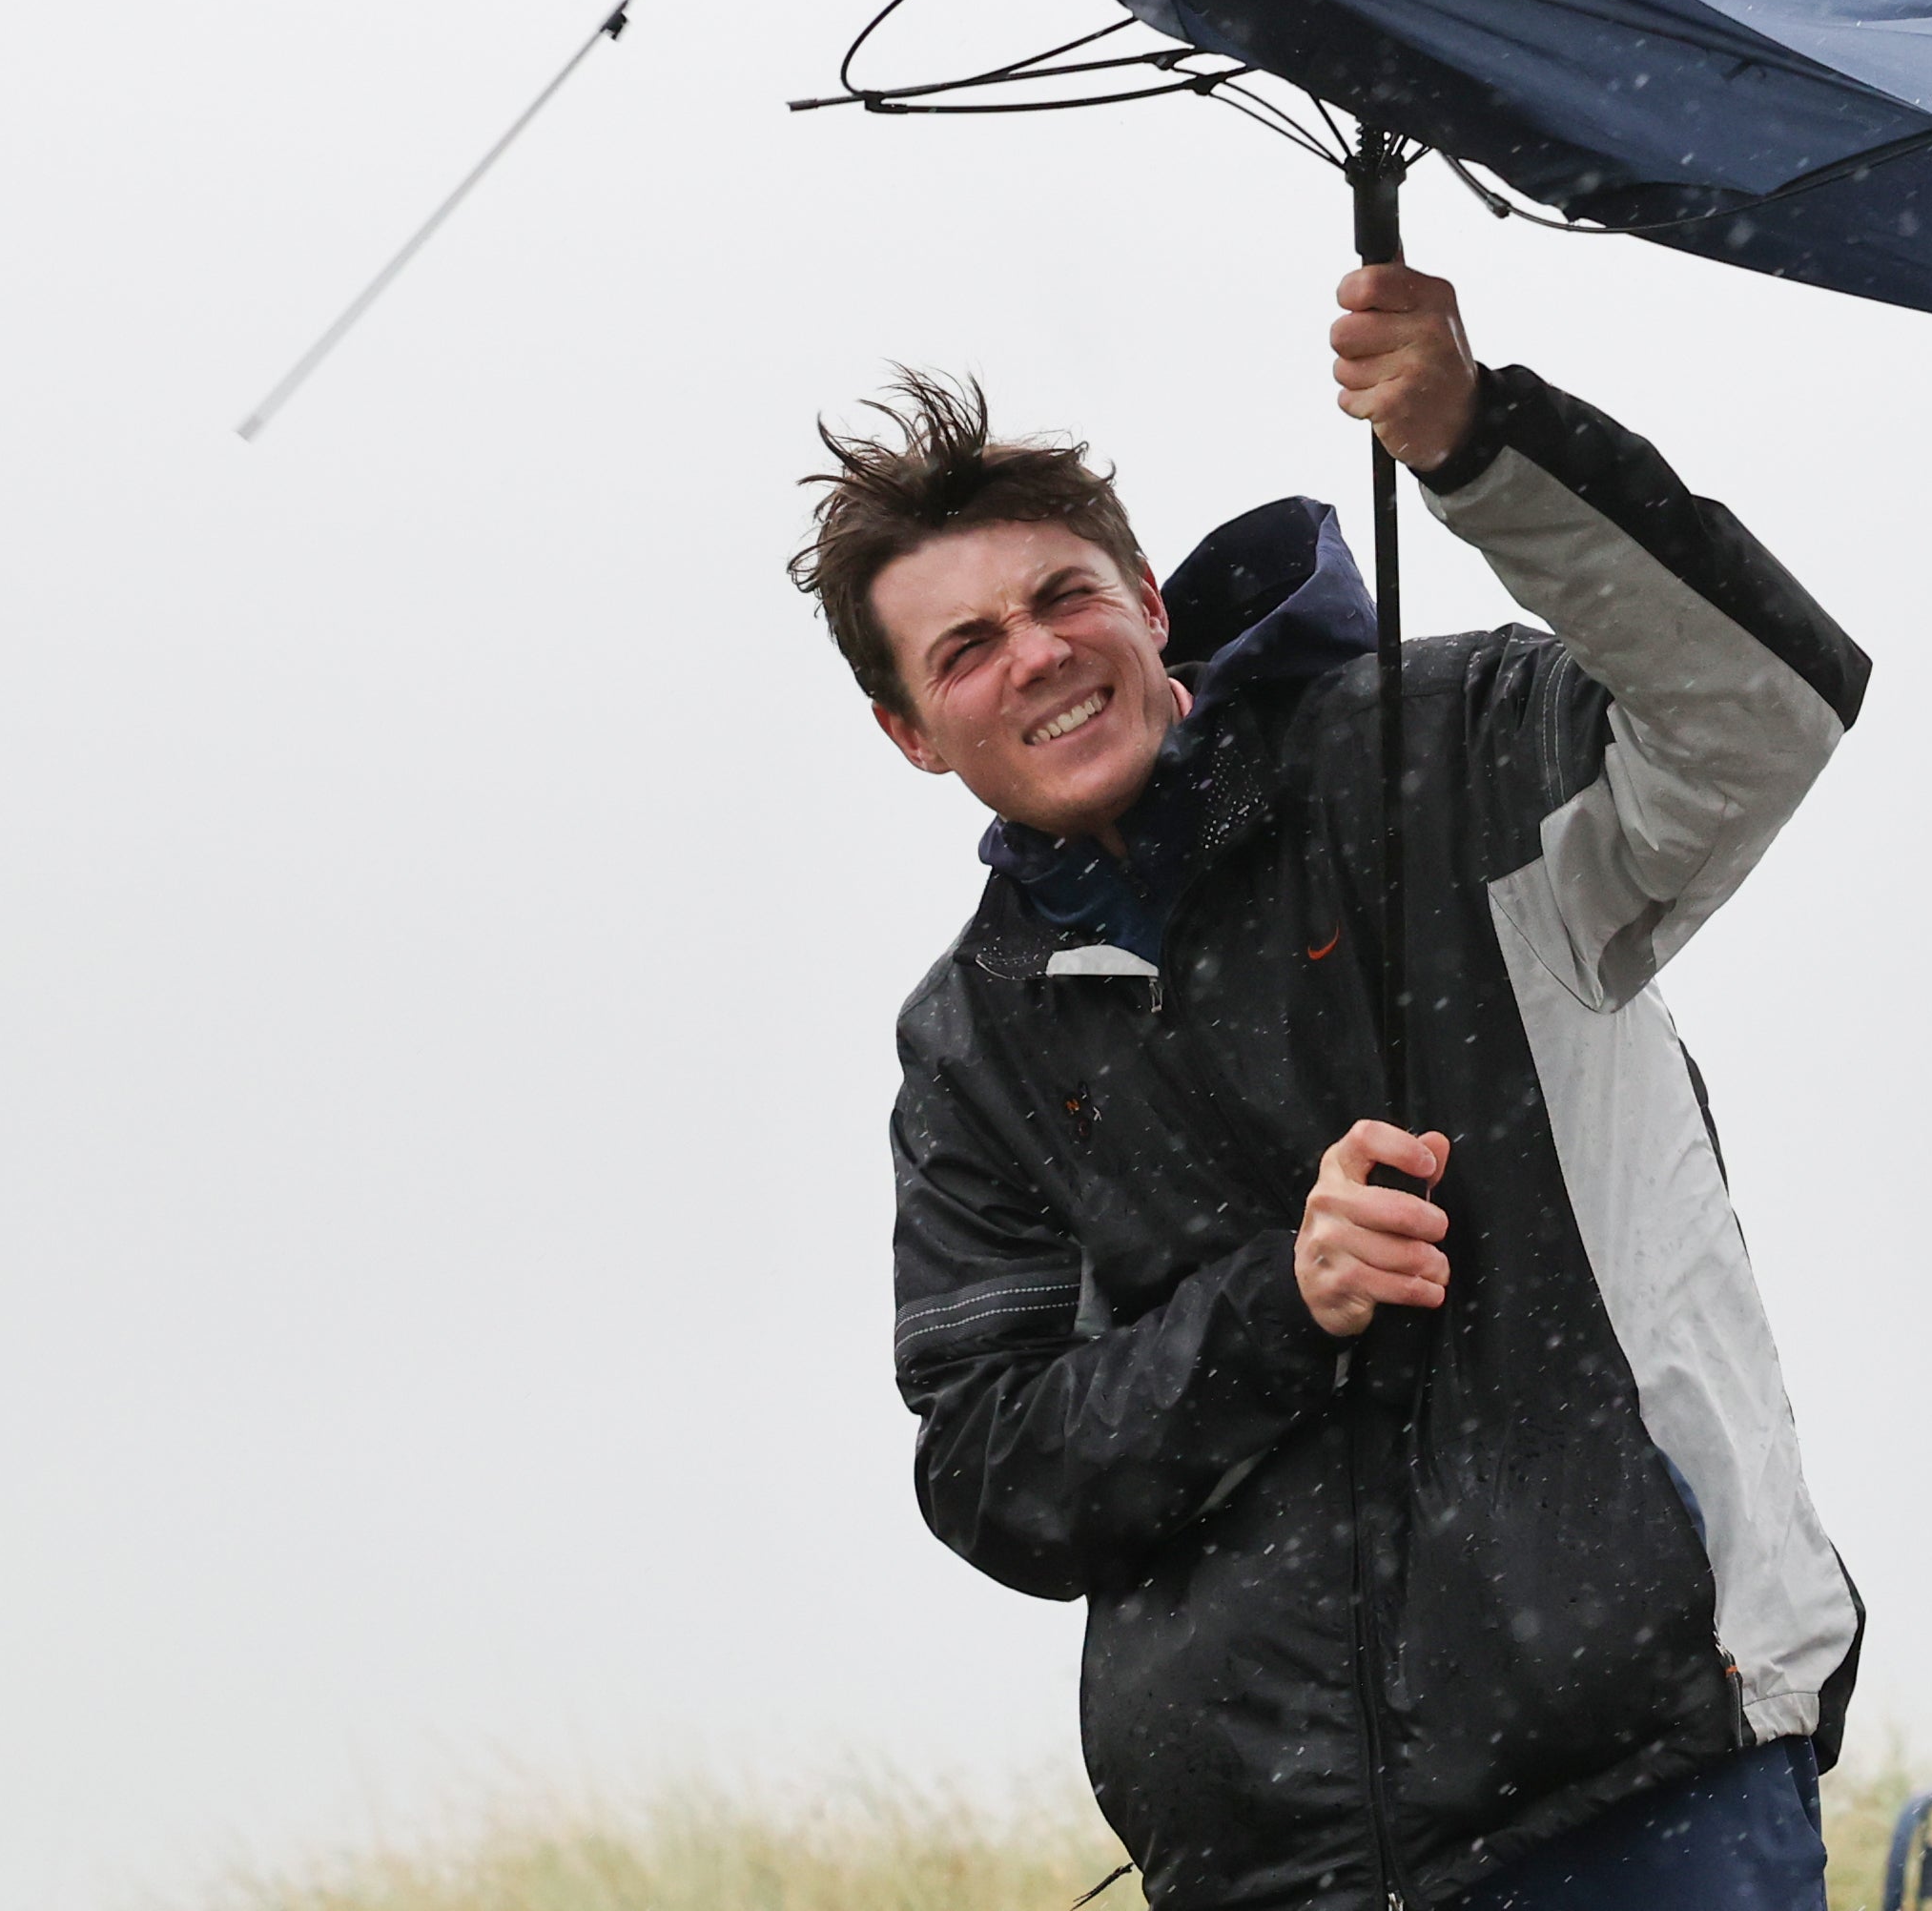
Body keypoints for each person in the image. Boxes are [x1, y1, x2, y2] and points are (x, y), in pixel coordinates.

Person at [787, 265, 1865, 1911]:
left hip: (1640, 1783)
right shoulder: (971, 1044)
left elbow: (1765, 708)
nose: (1037, 656)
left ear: (1149, 601)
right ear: (908, 732)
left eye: (1064, 596)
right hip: (1266, 1865)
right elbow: (994, 1474)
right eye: (968, 647)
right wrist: (1277, 1308)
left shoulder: (1458, 748)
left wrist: (1477, 441)